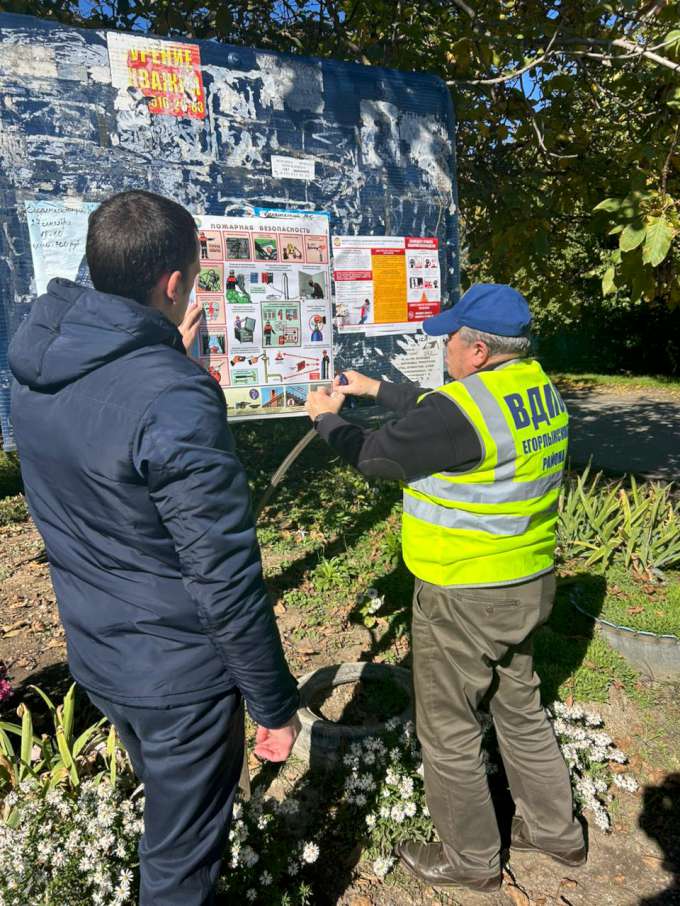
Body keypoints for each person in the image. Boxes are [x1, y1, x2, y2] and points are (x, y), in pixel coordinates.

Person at [9, 190, 300, 906]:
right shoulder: (173, 397)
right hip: (178, 675)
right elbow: (221, 573)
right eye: (194, 279)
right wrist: (272, 703)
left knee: (170, 820)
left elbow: (108, 453)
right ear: (174, 284)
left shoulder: (38, 363)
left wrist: (169, 358)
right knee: (180, 866)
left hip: (100, 650)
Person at [304, 284, 585, 894]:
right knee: (519, 706)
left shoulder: (462, 411)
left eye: (452, 339)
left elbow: (377, 457)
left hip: (465, 593)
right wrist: (375, 388)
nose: (445, 348)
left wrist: (326, 420)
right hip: (527, 582)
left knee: (449, 729)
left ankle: (472, 860)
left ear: (478, 351)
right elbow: (443, 410)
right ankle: (556, 831)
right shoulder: (536, 387)